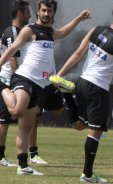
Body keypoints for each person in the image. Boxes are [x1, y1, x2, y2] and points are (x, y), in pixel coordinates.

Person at [52, 1, 113, 183]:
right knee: (95, 131)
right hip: (98, 89)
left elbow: (78, 54)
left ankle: (66, 94)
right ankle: (87, 175)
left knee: (79, 125)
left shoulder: (96, 29)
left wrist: (59, 74)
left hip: (82, 82)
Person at [0, 0, 90, 175]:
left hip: (40, 85)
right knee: (17, 111)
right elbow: (13, 48)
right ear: (38, 11)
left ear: (53, 13)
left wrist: (78, 19)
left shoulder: (50, 31)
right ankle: (2, 87)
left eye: (49, 11)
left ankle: (23, 166)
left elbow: (63, 32)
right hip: (24, 78)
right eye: (43, 10)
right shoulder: (29, 29)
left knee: (25, 127)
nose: (46, 13)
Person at [0, 0, 31, 167]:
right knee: (3, 120)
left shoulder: (20, 31)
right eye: (27, 12)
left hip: (10, 79)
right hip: (7, 79)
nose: (30, 15)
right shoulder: (12, 31)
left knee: (5, 120)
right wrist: (17, 79)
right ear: (19, 13)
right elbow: (12, 58)